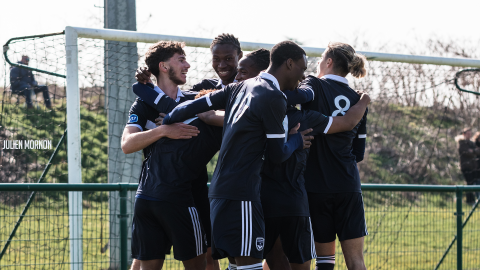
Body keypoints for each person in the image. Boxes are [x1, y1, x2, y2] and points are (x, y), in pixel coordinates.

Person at [160, 41, 309, 270]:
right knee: (250, 267)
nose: (302, 76)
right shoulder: (273, 97)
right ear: (289, 63)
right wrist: (297, 140)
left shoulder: (236, 88)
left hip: (218, 194)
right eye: (302, 68)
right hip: (243, 195)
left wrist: (166, 124)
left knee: (235, 266)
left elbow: (184, 109)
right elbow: (278, 154)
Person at [125, 40, 209, 270]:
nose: (188, 65)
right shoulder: (142, 105)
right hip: (152, 195)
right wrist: (163, 130)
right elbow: (127, 144)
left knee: (205, 259)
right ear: (163, 66)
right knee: (147, 262)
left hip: (192, 196)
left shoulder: (194, 101)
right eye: (181, 60)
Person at [291, 42, 369, 270]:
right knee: (356, 263)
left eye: (320, 59)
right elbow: (358, 153)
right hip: (348, 186)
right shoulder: (358, 99)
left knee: (325, 262)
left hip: (316, 186)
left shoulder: (313, 85)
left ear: (329, 62)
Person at [456, 128, 480, 204]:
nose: (469, 135)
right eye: (468, 133)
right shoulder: (462, 143)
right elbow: (466, 153)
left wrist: (472, 151)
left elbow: (478, 151)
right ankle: (470, 200)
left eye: (470, 133)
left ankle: (473, 200)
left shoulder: (471, 143)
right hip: (466, 166)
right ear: (464, 134)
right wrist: (473, 151)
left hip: (473, 167)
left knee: (474, 183)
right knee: (469, 183)